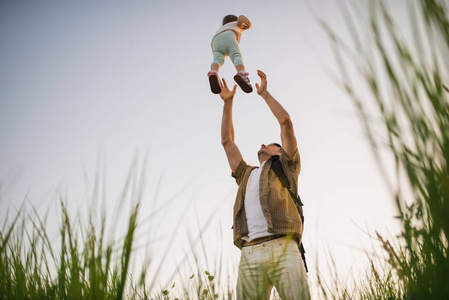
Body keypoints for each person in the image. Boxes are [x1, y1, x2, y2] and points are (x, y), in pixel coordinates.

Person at [218, 70, 311, 299]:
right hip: (249, 253)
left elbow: (286, 122)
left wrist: (265, 94)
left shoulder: (285, 168)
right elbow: (227, 142)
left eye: (270, 144)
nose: (263, 144)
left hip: (283, 247)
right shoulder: (246, 174)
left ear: (280, 152)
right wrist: (228, 102)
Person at [208, 14, 253, 94]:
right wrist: (247, 22)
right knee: (236, 55)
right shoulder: (236, 24)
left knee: (217, 59)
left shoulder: (222, 28)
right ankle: (241, 73)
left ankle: (213, 72)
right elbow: (241, 18)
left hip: (215, 41)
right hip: (229, 35)